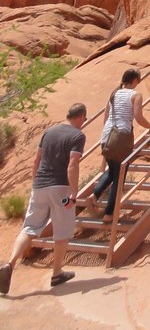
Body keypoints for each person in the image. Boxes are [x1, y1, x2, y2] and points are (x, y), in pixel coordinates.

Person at [0, 102, 88, 294]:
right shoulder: (77, 136)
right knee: (62, 231)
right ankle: (57, 273)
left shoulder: (48, 132)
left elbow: (37, 160)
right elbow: (73, 164)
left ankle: (9, 264)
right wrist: (73, 193)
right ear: (81, 117)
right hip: (60, 188)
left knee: (30, 228)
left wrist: (35, 182)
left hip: (40, 185)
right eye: (85, 119)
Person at [87, 69, 150, 222]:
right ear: (135, 80)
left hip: (107, 137)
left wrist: (107, 134)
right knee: (119, 176)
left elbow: (106, 118)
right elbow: (138, 116)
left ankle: (95, 194)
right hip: (121, 137)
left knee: (112, 171)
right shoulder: (136, 95)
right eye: (139, 79)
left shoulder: (114, 93)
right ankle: (109, 214)